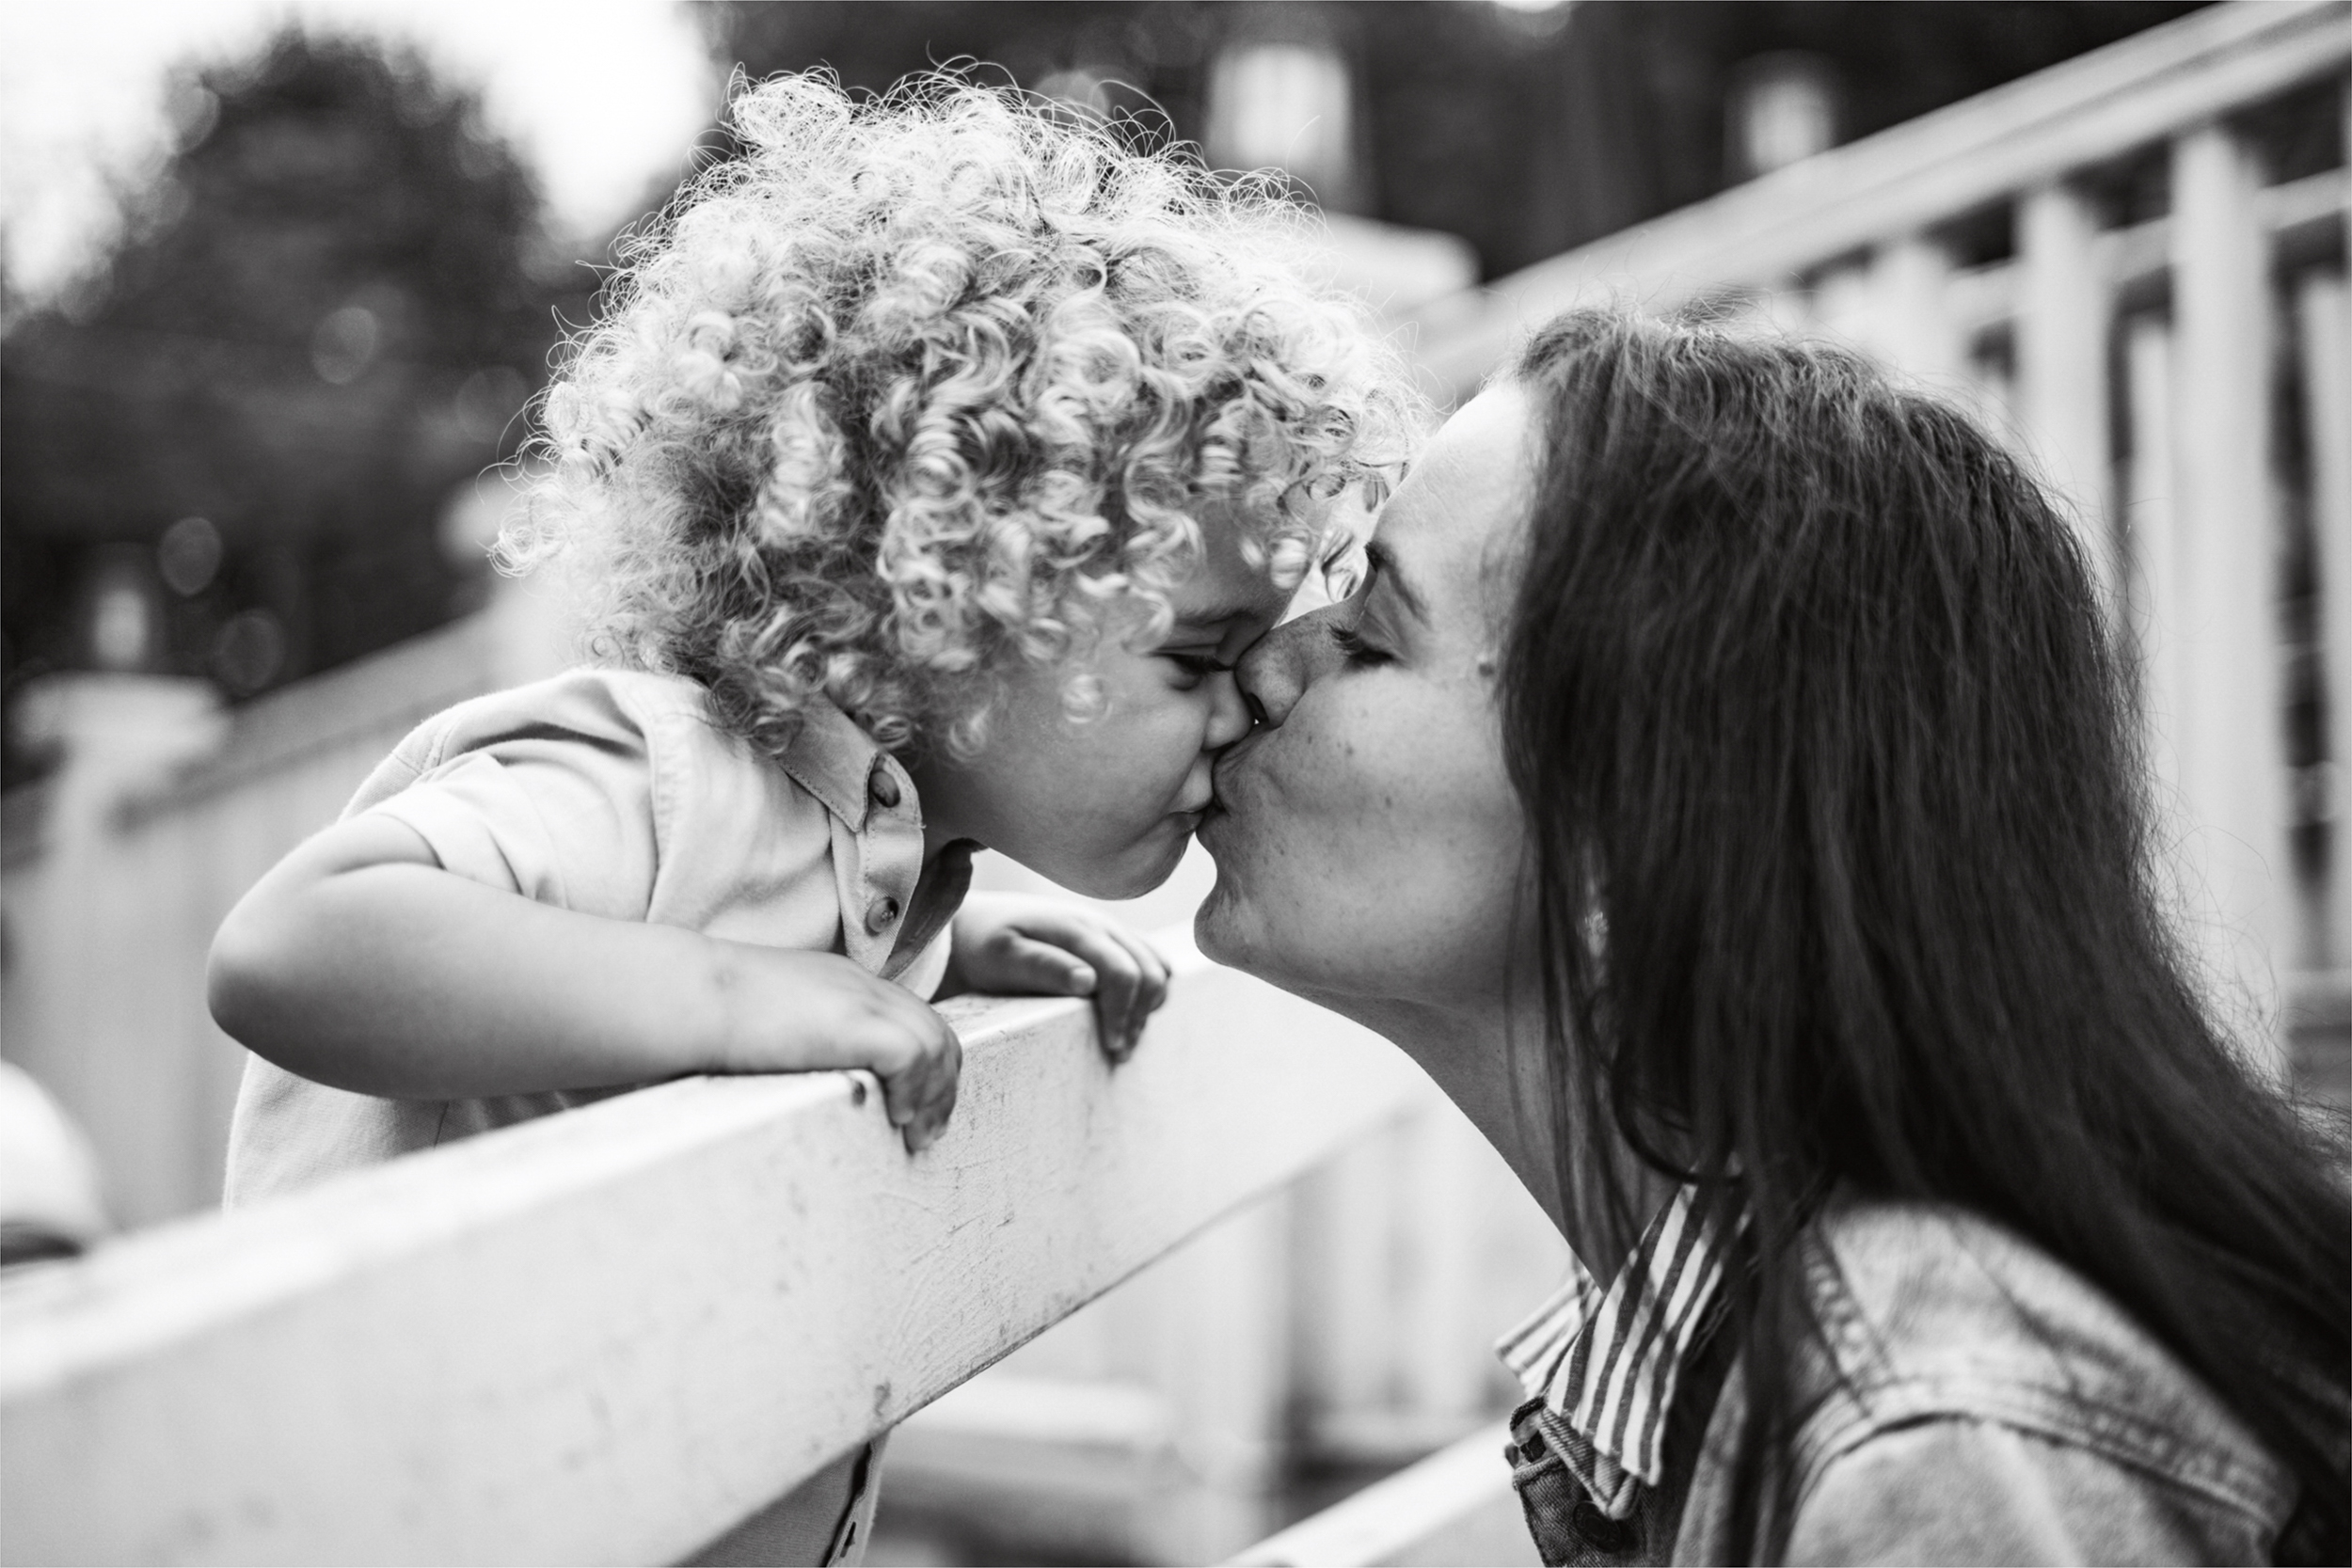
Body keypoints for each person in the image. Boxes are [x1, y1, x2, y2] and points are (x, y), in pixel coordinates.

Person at [206, 73, 1412, 1565]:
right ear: (946, 607)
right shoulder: (661, 778)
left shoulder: (881, 867)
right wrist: (736, 998)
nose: (1250, 705)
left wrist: (944, 949)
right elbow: (294, 947)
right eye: (1197, 658)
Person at [1199, 307, 2350, 1564]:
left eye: (1369, 635)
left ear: (1635, 833)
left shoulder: (1937, 1454)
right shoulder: (1832, 1366)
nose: (1262, 669)